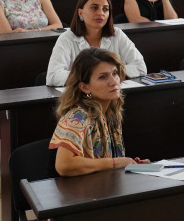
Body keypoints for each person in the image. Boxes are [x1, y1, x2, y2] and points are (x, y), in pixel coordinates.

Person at [50, 48, 143, 176]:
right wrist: (114, 163)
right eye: (103, 77)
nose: (113, 81)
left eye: (115, 73)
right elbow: (64, 165)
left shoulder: (111, 112)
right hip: (82, 192)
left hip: (105, 186)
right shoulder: (78, 116)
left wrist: (129, 164)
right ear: (84, 87)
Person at [46, 0, 146, 86]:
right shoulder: (66, 38)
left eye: (105, 9)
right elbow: (53, 76)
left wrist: (108, 75)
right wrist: (93, 76)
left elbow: (140, 66)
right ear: (80, 13)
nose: (101, 13)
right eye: (94, 8)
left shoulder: (117, 34)